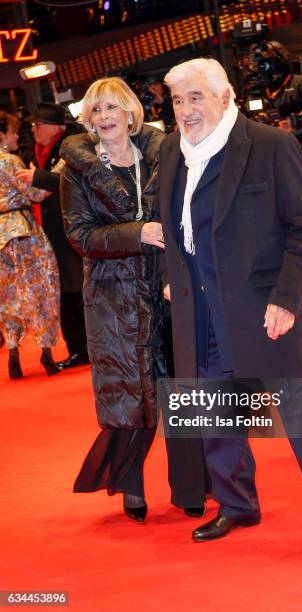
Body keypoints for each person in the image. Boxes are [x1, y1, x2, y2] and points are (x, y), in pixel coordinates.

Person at [158, 58, 302, 556]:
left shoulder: (270, 145)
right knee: (213, 414)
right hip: (196, 309)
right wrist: (172, 280)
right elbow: (174, 229)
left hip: (264, 308)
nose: (186, 110)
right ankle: (236, 504)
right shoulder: (171, 151)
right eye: (178, 101)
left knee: (300, 414)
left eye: (196, 97)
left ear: (225, 97)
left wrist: (287, 299)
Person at [59, 76, 175, 521]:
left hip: (165, 286)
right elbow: (80, 235)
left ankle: (192, 485)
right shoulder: (78, 169)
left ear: (130, 112)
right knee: (130, 392)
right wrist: (138, 233)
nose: (104, 118)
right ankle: (131, 487)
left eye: (111, 108)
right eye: (96, 111)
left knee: (179, 387)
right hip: (113, 295)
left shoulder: (162, 154)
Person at [15, 102, 88, 369]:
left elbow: (69, 179)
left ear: (55, 127)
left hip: (70, 227)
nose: (34, 130)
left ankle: (83, 348)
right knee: (66, 289)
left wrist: (38, 177)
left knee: (74, 287)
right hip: (51, 230)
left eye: (39, 125)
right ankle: (79, 347)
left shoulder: (70, 145)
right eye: (33, 125)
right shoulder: (39, 150)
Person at [0, 111, 60, 379]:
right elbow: (35, 193)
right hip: (23, 231)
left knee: (7, 296)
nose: (16, 136)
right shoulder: (10, 161)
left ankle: (13, 351)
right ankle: (46, 354)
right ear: (1, 135)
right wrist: (53, 174)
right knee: (39, 290)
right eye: (12, 132)